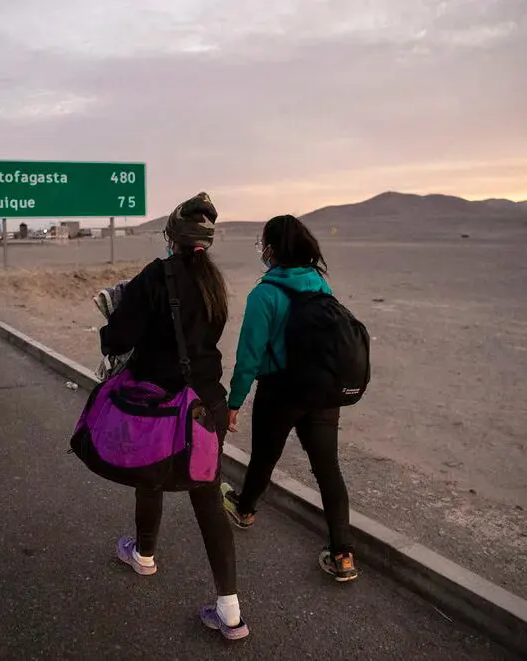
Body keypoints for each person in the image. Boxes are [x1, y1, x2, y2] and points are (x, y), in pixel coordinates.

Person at [99, 192, 248, 640]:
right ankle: (230, 612)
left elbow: (116, 339)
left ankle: (144, 556)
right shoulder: (214, 282)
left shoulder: (154, 276)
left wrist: (116, 312)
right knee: (207, 500)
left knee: (150, 476)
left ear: (171, 236)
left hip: (161, 407)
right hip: (207, 406)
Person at [222, 214, 359, 582]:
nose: (261, 250)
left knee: (265, 457)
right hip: (322, 393)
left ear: (272, 249)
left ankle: (245, 510)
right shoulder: (319, 285)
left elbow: (250, 356)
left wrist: (233, 402)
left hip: (280, 392)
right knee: (328, 469)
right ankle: (343, 554)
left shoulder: (264, 294)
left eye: (264, 243)